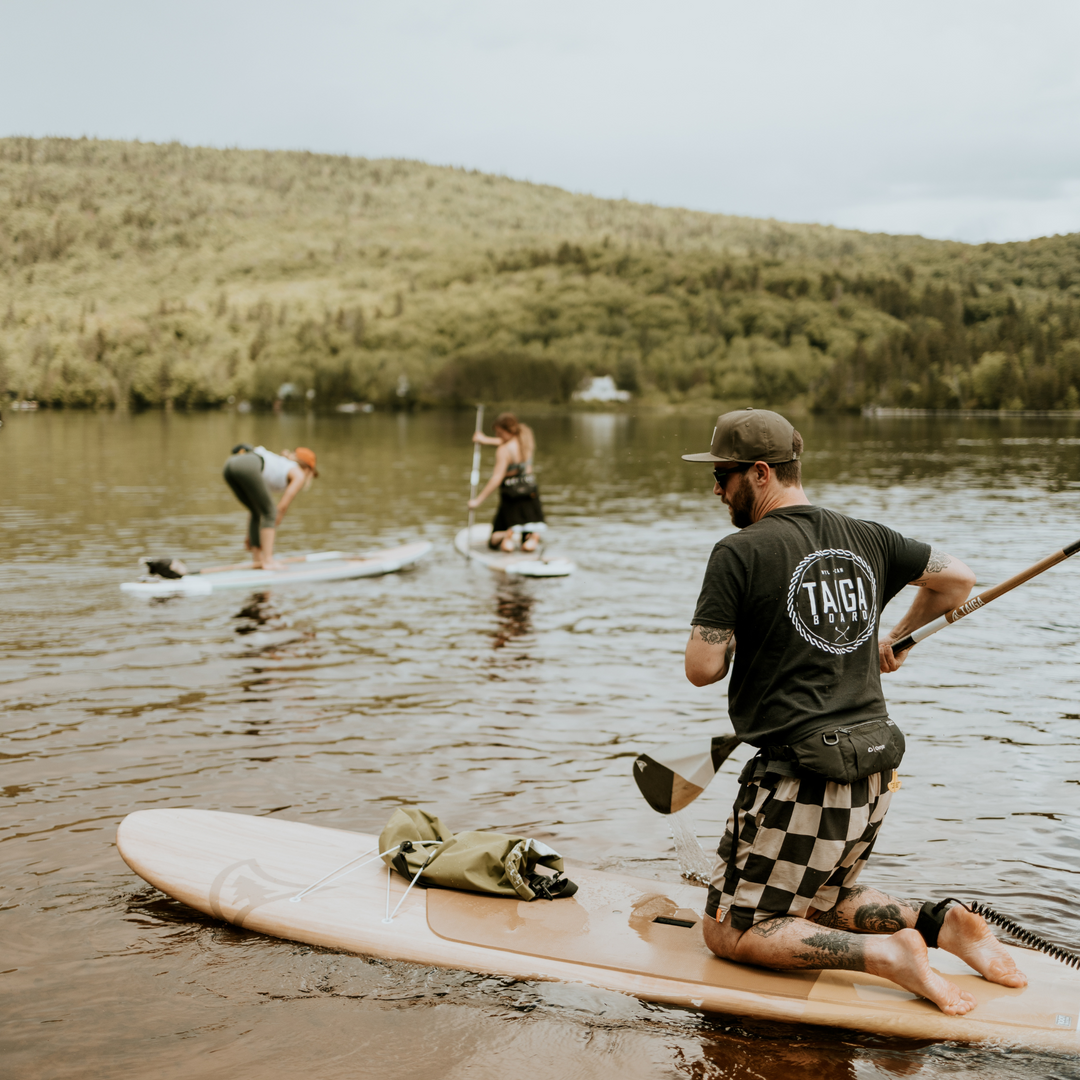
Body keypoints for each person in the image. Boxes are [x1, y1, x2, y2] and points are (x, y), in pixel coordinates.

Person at [682, 407, 1025, 1015]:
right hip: (874, 769)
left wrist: (745, 630)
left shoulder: (739, 552)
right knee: (816, 902)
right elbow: (958, 580)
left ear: (760, 472)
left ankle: (888, 955)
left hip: (802, 775)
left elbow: (702, 668)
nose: (716, 488)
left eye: (722, 474)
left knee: (730, 930)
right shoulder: (870, 537)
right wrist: (897, 637)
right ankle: (941, 924)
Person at [223, 444, 318, 570]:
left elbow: (256, 509)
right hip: (247, 464)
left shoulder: (281, 463)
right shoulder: (298, 474)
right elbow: (281, 508)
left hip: (230, 465)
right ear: (308, 469)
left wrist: (251, 535)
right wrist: (268, 528)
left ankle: (257, 560)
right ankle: (268, 560)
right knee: (270, 512)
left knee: (257, 510)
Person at [468, 413, 545, 552]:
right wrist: (485, 440)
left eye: (499, 433)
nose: (498, 437)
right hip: (530, 494)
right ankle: (532, 539)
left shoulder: (504, 450)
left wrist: (477, 501)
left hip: (511, 496)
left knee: (493, 542)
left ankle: (507, 536)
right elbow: (507, 440)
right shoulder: (526, 439)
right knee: (527, 533)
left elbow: (496, 478)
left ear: (507, 431)